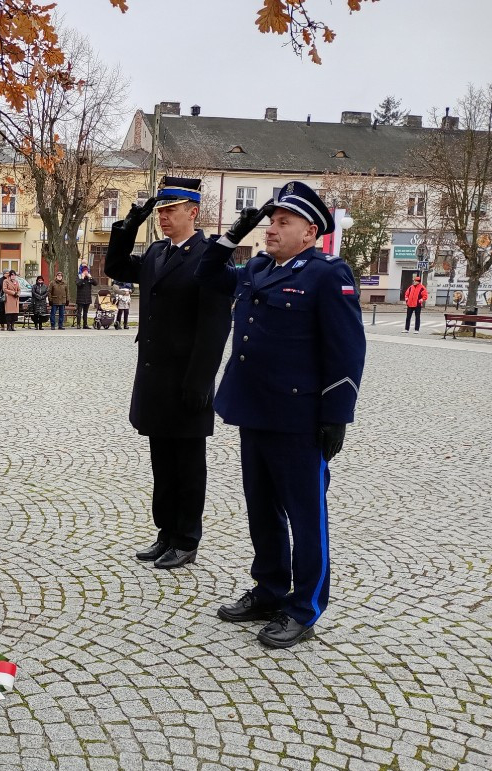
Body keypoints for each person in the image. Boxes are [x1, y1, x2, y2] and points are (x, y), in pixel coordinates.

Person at [196, 181, 366, 649]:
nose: (272, 228)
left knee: (306, 518)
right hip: (254, 410)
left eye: (282, 222)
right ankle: (270, 590)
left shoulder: (328, 275)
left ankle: (304, 608)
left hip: (299, 419)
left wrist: (336, 416)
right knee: (262, 513)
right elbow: (207, 273)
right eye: (271, 220)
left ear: (309, 232)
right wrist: (235, 233)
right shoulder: (257, 267)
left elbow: (348, 350)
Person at [105, 176, 234, 571]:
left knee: (189, 464)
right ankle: (165, 533)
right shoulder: (158, 252)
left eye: (170, 210)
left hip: (187, 380)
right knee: (162, 460)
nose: (162, 217)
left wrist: (200, 382)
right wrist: (127, 227)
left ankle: (187, 538)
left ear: (192, 212)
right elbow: (114, 266)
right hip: (155, 377)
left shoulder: (208, 257)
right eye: (160, 211)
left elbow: (215, 327)